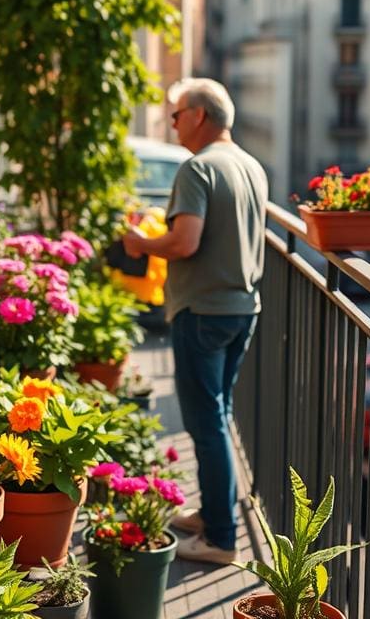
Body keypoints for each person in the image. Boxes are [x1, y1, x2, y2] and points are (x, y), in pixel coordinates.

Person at [123, 78, 268, 565]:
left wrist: (142, 243)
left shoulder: (198, 168)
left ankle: (221, 539)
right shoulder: (251, 165)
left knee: (206, 423)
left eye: (176, 114)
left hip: (202, 311)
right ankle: (213, 514)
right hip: (241, 309)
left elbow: (184, 242)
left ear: (200, 115)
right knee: (219, 416)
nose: (172, 122)